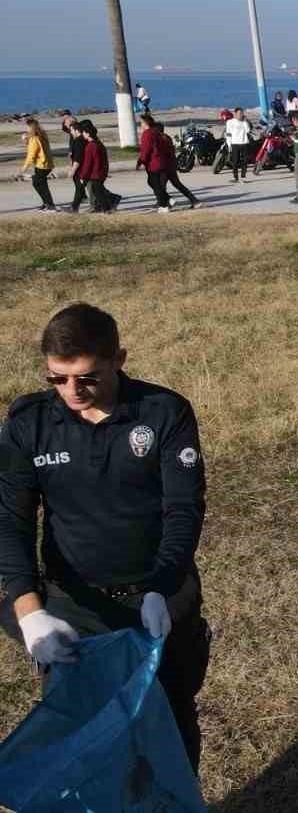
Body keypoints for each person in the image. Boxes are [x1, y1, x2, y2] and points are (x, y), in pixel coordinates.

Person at [0, 303, 212, 772]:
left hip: (158, 598)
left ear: (119, 358)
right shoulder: (28, 425)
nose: (72, 392)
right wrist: (29, 610)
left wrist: (163, 583)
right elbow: (11, 521)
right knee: (86, 737)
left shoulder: (162, 412)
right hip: (74, 604)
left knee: (170, 721)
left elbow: (183, 508)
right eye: (57, 378)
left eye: (88, 377)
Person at [135, 115, 199, 213]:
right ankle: (192, 201)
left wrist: (141, 160)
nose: (141, 125)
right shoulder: (164, 137)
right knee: (170, 184)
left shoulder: (153, 135)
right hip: (169, 163)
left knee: (158, 184)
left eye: (141, 123)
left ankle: (165, 203)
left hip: (163, 164)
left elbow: (147, 150)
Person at [76, 120, 118, 213]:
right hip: (101, 172)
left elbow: (88, 164)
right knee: (98, 191)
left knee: (98, 192)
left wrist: (83, 176)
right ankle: (108, 207)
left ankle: (107, 209)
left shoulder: (90, 146)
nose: (82, 134)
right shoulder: (99, 144)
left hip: (95, 174)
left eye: (83, 132)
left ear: (87, 133)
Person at [17, 118, 57, 212]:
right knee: (40, 183)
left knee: (38, 183)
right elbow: (35, 148)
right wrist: (26, 141)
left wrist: (23, 169)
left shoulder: (34, 138)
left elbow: (31, 155)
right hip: (45, 164)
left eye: (27, 127)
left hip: (42, 165)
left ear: (31, 127)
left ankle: (50, 205)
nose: (26, 129)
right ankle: (46, 203)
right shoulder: (41, 135)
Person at [63, 118, 87, 212]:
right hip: (80, 168)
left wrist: (73, 170)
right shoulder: (80, 140)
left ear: (77, 130)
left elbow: (78, 158)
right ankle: (74, 207)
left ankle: (74, 207)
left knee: (80, 187)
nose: (71, 132)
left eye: (72, 130)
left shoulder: (79, 141)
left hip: (80, 169)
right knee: (80, 188)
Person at [224, 106, 252, 183]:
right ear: (235, 114)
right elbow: (228, 134)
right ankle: (235, 177)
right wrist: (229, 144)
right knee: (235, 161)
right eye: (239, 113)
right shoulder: (230, 122)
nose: (241, 115)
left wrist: (245, 121)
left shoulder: (244, 122)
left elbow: (248, 131)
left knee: (245, 161)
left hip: (244, 143)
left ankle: (243, 176)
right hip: (234, 143)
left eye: (242, 113)